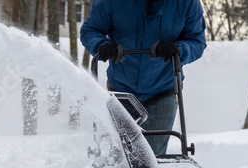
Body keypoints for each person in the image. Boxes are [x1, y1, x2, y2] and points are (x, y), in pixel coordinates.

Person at [80, 0, 207, 156]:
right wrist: (102, 45)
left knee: (153, 158)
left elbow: (196, 41)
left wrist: (178, 50)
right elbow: (90, 30)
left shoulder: (187, 3)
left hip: (162, 90)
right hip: (121, 90)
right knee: (117, 156)